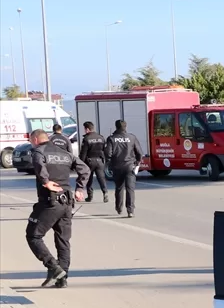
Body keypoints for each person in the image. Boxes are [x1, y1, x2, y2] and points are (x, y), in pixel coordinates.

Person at [26, 129, 90, 288]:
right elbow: (85, 169)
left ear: (35, 139)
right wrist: (80, 189)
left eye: (30, 140)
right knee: (63, 240)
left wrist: (46, 181)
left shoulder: (38, 152)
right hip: (67, 202)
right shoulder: (65, 153)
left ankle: (53, 267)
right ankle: (63, 278)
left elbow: (39, 165)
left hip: (50, 201)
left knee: (33, 235)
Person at [105, 119, 143, 218]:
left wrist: (109, 163)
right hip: (130, 166)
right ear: (125, 127)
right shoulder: (132, 137)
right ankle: (130, 211)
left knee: (119, 188)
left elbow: (108, 154)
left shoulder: (111, 138)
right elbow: (139, 153)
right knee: (130, 189)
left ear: (116, 126)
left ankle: (119, 207)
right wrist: (137, 163)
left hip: (117, 167)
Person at [78, 121, 108, 203]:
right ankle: (105, 193)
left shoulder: (86, 139)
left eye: (84, 129)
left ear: (87, 129)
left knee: (88, 179)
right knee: (101, 178)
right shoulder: (101, 138)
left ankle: (90, 196)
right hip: (99, 161)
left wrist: (81, 163)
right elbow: (105, 150)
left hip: (89, 161)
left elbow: (83, 153)